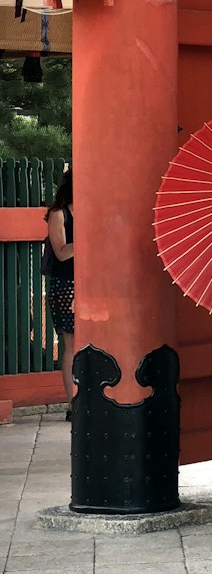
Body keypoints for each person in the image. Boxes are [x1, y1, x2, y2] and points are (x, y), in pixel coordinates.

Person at [44, 167, 74, 418]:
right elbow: (62, 252)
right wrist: (89, 238)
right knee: (72, 344)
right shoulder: (58, 213)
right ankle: (72, 404)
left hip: (92, 282)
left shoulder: (92, 213)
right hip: (66, 284)